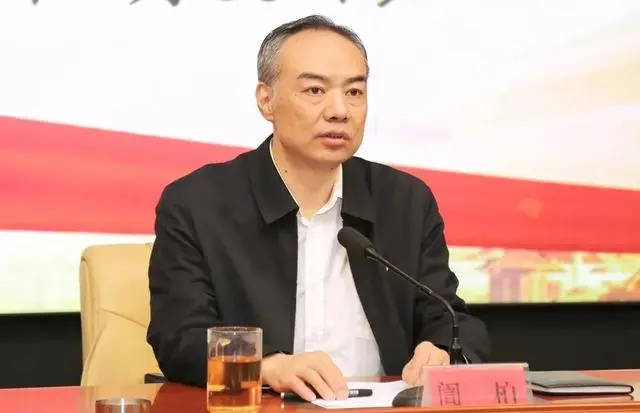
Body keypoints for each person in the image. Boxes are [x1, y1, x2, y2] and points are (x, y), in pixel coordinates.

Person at [146, 14, 490, 402]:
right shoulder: (198, 203)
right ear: (266, 100)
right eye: (315, 90)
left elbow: (451, 318)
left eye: (354, 92)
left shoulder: (405, 201)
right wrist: (267, 367)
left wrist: (441, 350)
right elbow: (180, 336)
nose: (339, 110)